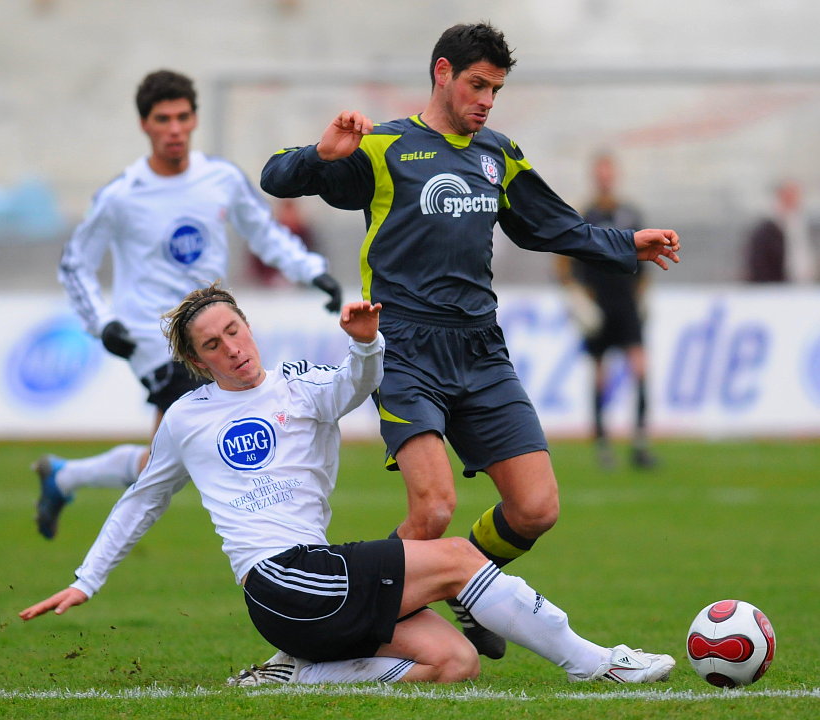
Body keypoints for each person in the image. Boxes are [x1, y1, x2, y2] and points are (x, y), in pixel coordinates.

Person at [258, 22, 681, 658]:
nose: (486, 99)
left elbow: (550, 225)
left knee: (536, 507)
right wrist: (322, 153)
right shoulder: (384, 147)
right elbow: (277, 179)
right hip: (404, 348)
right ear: (442, 73)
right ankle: (323, 636)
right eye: (477, 85)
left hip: (482, 350)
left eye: (496, 90)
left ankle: (466, 584)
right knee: (432, 512)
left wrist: (625, 244)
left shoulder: (497, 153)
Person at [19, 284, 676, 688]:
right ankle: (595, 663)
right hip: (279, 582)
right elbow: (143, 500)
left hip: (312, 589)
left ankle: (302, 677)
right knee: (456, 558)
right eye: (213, 345)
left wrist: (365, 347)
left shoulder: (299, 379)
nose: (233, 348)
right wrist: (87, 579)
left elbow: (351, 388)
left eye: (234, 330)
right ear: (197, 361)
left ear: (249, 324)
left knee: (454, 662)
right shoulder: (187, 419)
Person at [34, 69, 343, 540]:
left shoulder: (219, 179)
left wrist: (310, 270)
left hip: (212, 328)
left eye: (182, 117)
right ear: (145, 125)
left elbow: (262, 231)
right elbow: (75, 264)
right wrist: (104, 324)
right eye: (163, 119)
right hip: (154, 341)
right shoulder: (122, 196)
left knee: (167, 461)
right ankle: (271, 535)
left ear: (195, 118)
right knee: (190, 448)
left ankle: (64, 476)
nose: (174, 128)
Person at [554, 153, 657, 470]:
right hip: (597, 303)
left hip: (625, 302)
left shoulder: (630, 213)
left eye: (609, 172)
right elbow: (563, 261)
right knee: (600, 375)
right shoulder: (583, 214)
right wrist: (578, 297)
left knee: (639, 368)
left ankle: (640, 443)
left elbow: (646, 256)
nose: (605, 178)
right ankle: (603, 444)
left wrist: (642, 297)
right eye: (600, 173)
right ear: (594, 176)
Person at [745, 179, 817, 283]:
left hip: (806, 287)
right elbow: (759, 265)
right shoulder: (765, 231)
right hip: (777, 289)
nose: (793, 200)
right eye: (788, 196)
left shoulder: (807, 227)